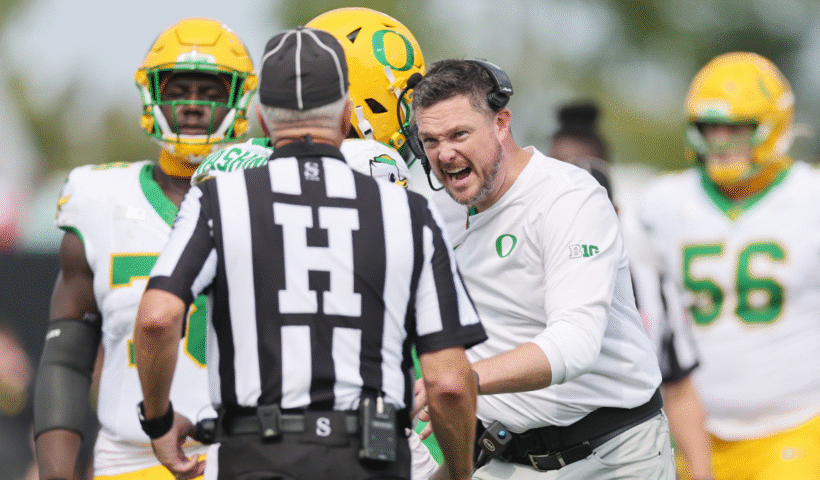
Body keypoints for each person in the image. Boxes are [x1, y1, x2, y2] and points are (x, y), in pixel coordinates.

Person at [133, 27, 486, 480]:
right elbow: (450, 382)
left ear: (263, 120)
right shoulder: (408, 211)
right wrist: (458, 472)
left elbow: (157, 318)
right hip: (370, 453)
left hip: (255, 452)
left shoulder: (219, 200)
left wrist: (158, 419)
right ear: (346, 116)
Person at [410, 59, 674, 479]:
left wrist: (462, 381)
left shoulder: (568, 197)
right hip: (502, 456)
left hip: (614, 456)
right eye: (430, 140)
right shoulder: (432, 209)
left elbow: (575, 344)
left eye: (459, 134)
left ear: (501, 123)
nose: (445, 153)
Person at [32, 18, 257, 480]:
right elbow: (67, 356)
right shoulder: (99, 197)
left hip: (246, 457)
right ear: (152, 95)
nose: (193, 107)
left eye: (211, 93)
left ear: (239, 99)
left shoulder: (270, 196)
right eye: (178, 92)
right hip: (129, 460)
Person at [631, 52, 820, 479]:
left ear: (775, 125)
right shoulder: (662, 203)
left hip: (799, 428)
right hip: (694, 434)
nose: (719, 141)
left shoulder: (811, 198)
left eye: (736, 128)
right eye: (709, 127)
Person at [550, 101, 715, 480]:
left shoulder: (647, 273)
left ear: (617, 212)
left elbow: (678, 389)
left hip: (628, 458)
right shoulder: (512, 270)